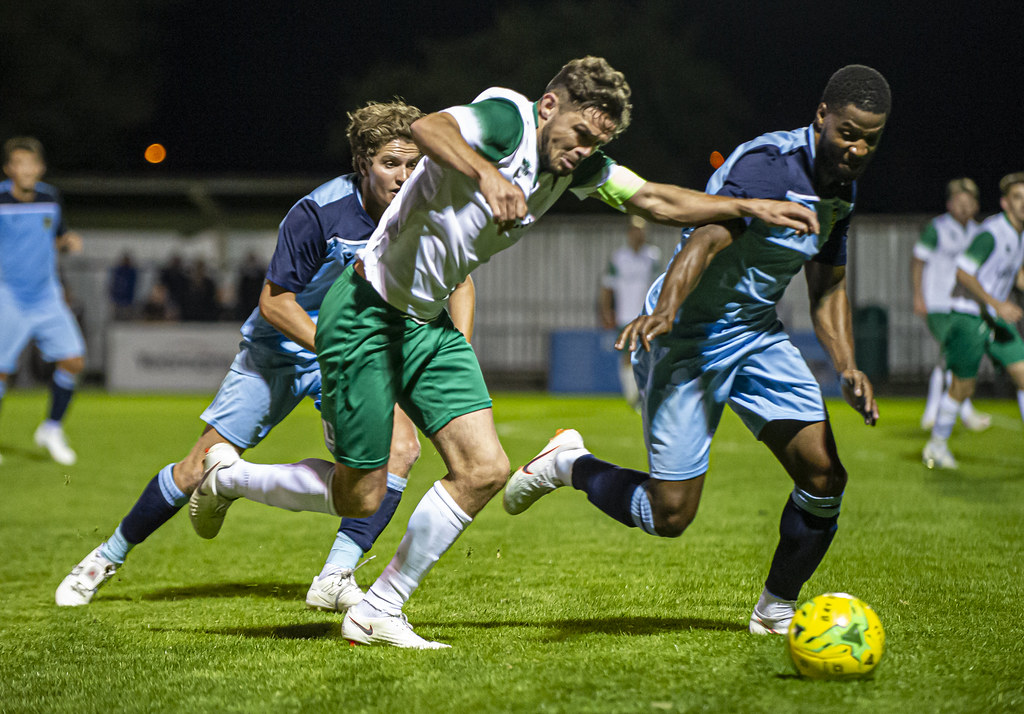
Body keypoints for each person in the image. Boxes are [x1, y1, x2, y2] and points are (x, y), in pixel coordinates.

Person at [189, 55, 819, 649]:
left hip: (427, 325)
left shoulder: (579, 168)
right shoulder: (507, 119)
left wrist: (744, 205)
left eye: (595, 144)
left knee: (485, 470)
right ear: (549, 105)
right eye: (576, 133)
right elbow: (427, 127)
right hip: (365, 314)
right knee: (362, 495)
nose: (582, 152)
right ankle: (228, 477)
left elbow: (654, 198)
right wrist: (487, 173)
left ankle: (379, 608)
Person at [504, 64, 890, 637]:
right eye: (848, 133)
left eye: (870, 140)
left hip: (757, 335)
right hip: (686, 335)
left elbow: (828, 282)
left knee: (824, 475)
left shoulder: (843, 190)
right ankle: (569, 464)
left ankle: (776, 609)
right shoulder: (768, 164)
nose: (857, 149)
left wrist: (847, 365)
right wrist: (666, 310)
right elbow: (707, 237)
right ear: (822, 117)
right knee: (671, 515)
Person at [55, 101, 471, 609]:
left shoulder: (425, 208)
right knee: (195, 466)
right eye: (391, 164)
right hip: (283, 348)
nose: (405, 177)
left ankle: (335, 575)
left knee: (400, 451)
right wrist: (342, 349)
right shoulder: (318, 212)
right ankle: (105, 556)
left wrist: (458, 351)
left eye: (414, 164)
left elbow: (461, 281)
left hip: (351, 351)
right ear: (363, 163)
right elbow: (275, 303)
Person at [922, 172, 1024, 469]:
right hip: (968, 317)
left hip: (995, 319)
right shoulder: (992, 233)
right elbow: (963, 273)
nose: (1023, 204)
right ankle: (936, 445)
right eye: (1017, 198)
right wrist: (996, 303)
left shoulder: (1020, 235)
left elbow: (1015, 275)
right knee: (962, 389)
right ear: (1005, 203)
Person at [0, 136, 85, 466]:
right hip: (8, 295)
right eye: (19, 163)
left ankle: (51, 428)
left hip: (46, 295)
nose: (26, 170)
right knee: (2, 372)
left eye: (31, 163)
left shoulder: (50, 197)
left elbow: (59, 237)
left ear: (40, 168)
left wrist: (68, 242)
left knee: (74, 360)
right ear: (9, 169)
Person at [912, 179, 990, 431]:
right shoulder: (938, 228)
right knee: (952, 353)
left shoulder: (979, 232)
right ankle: (963, 411)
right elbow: (918, 261)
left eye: (969, 201)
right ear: (949, 203)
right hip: (938, 302)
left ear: (976, 205)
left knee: (948, 358)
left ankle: (933, 412)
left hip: (964, 305)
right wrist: (918, 296)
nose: (964, 206)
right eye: (959, 200)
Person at [600, 215, 661, 409]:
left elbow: (660, 284)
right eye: (635, 230)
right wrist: (606, 310)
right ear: (629, 233)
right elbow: (607, 286)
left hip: (647, 314)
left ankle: (642, 393)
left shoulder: (653, 256)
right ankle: (632, 395)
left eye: (642, 230)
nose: (639, 234)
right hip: (625, 314)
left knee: (648, 354)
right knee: (628, 354)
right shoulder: (619, 257)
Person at [109, 251, 139, 321]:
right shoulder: (118, 272)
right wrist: (113, 297)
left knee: (127, 318)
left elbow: (133, 287)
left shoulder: (132, 272)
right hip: (117, 299)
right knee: (117, 318)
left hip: (128, 300)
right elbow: (113, 285)